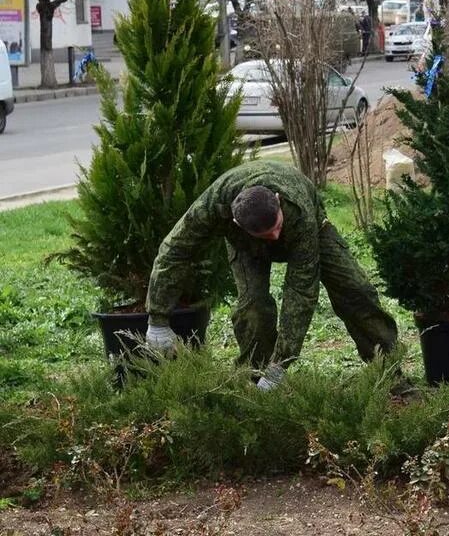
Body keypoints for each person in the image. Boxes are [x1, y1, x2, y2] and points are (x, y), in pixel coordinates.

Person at [144, 160, 399, 390]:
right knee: (253, 308)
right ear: (236, 224)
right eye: (268, 235)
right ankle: (253, 381)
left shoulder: (296, 210)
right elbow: (173, 250)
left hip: (310, 230)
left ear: (277, 200)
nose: (275, 237)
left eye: (277, 228)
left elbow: (300, 292)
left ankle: (390, 373)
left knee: (356, 290)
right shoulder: (213, 204)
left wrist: (281, 364)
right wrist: (157, 319)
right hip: (246, 246)